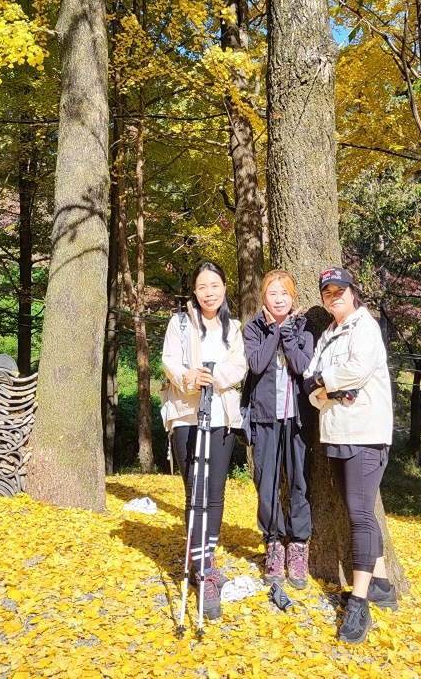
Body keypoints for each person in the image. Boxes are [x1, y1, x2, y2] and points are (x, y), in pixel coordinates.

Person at [304, 266, 393, 645]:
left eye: (339, 290)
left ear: (352, 292)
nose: (334, 296)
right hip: (336, 432)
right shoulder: (327, 335)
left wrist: (326, 384)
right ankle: (382, 584)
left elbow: (357, 369)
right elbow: (310, 382)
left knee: (358, 515)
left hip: (366, 433)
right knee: (357, 510)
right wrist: (325, 389)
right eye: (327, 292)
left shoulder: (365, 327)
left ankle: (359, 602)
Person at [161, 261, 246, 621]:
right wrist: (189, 376)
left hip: (223, 416)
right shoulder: (180, 323)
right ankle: (200, 565)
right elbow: (169, 360)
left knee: (214, 492)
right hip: (186, 415)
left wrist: (214, 377)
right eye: (202, 286)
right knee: (194, 489)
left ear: (224, 288)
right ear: (194, 291)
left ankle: (207, 564)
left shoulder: (236, 328)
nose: (209, 292)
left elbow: (240, 365)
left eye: (214, 285)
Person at [242, 269, 314, 588]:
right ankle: (273, 544)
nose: (279, 298)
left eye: (284, 292)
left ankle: (297, 547)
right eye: (273, 293)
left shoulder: (304, 329)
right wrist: (273, 331)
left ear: (293, 296)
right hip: (265, 416)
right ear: (263, 298)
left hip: (296, 418)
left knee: (299, 481)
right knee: (267, 482)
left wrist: (286, 332)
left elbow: (300, 365)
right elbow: (257, 364)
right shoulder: (253, 328)